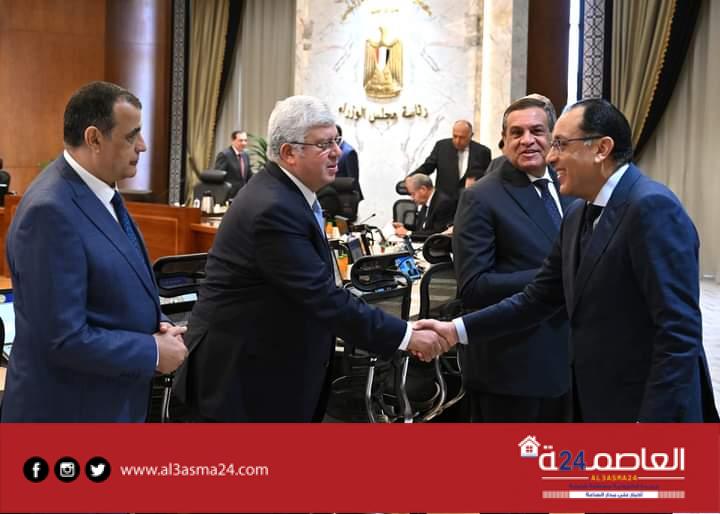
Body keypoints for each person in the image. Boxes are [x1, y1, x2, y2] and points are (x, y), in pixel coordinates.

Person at [418, 98, 719, 422]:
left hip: (647, 408)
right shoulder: (577, 214)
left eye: (560, 144)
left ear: (601, 149)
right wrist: (455, 330)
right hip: (596, 403)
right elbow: (537, 299)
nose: (551, 155)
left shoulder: (651, 207)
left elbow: (678, 334)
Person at [173, 95, 448, 422]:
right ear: (289, 153)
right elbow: (321, 297)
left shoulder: (289, 196)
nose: (336, 152)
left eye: (336, 140)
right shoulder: (272, 208)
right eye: (323, 144)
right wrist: (406, 336)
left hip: (267, 370)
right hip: (239, 381)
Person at [1, 81, 188, 422]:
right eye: (131, 136)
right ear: (94, 139)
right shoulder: (49, 211)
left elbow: (113, 289)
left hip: (107, 404)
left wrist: (159, 325)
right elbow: (61, 338)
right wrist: (152, 352)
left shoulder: (101, 192)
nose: (143, 146)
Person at [452, 96, 574, 422]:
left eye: (537, 130)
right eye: (517, 132)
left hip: (569, 362)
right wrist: (557, 275)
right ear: (504, 140)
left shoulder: (570, 186)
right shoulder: (480, 197)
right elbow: (474, 287)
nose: (527, 140)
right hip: (513, 369)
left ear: (553, 138)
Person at [413, 120, 491, 200]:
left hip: (470, 200)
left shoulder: (483, 152)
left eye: (462, 137)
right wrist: (411, 178)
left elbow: (488, 177)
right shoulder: (441, 147)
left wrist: (476, 182)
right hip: (443, 201)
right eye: (455, 136)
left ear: (471, 135)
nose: (457, 141)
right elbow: (428, 166)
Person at [393, 174, 454, 242]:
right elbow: (421, 228)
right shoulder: (426, 202)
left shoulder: (443, 203)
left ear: (423, 189)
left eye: (413, 194)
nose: (412, 198)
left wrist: (408, 233)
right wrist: (404, 226)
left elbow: (437, 234)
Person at [213, 130, 251, 197]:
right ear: (233, 141)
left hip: (243, 194)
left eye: (245, 140)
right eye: (241, 140)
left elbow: (249, 175)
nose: (244, 143)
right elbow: (218, 177)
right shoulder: (224, 155)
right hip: (229, 195)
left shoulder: (245, 155)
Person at [335, 124, 363, 200]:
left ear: (338, 136)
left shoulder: (348, 152)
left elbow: (353, 180)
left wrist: (352, 200)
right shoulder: (335, 149)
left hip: (347, 198)